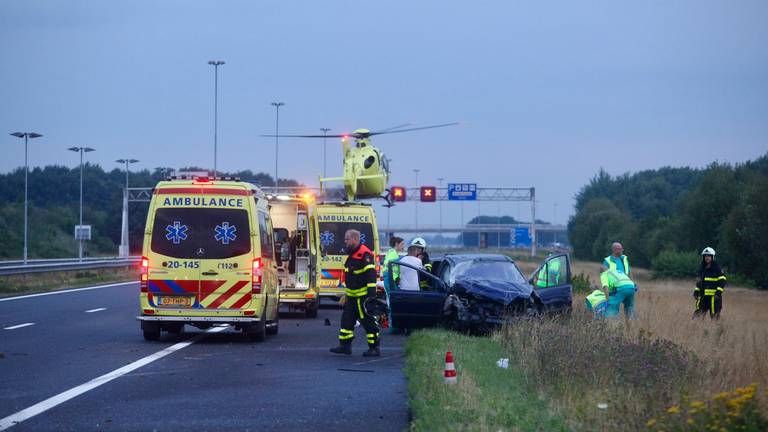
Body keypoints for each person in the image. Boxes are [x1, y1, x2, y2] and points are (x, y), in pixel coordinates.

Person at [330, 230, 380, 357]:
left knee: (368, 323)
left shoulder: (365, 254)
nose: (345, 241)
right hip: (352, 297)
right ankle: (345, 346)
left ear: (354, 239)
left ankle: (374, 348)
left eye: (347, 239)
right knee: (346, 321)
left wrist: (371, 297)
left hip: (363, 298)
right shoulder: (352, 255)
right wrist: (346, 295)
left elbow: (371, 277)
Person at [694, 247, 726, 319]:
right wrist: (696, 292)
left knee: (715, 318)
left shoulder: (718, 268)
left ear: (712, 257)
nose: (707, 257)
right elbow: (698, 282)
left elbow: (722, 282)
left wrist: (718, 293)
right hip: (703, 297)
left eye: (708, 256)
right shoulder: (702, 269)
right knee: (696, 318)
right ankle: (695, 330)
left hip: (714, 298)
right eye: (705, 256)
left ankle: (716, 330)